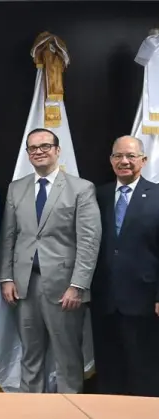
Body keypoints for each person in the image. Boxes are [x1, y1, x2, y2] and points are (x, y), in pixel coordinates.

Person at [0, 127, 101, 394]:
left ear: (57, 150)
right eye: (33, 148)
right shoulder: (16, 188)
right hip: (24, 285)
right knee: (29, 355)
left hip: (64, 287)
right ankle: (31, 410)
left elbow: (89, 242)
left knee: (67, 357)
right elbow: (8, 237)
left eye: (45, 146)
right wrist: (6, 278)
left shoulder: (81, 189)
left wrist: (78, 286)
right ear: (27, 153)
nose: (39, 152)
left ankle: (70, 410)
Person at [91, 135, 159, 397]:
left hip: (144, 301)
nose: (124, 161)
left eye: (131, 156)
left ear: (144, 160)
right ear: (111, 160)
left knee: (144, 371)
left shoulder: (156, 196)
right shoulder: (98, 195)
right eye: (118, 156)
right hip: (104, 300)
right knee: (109, 371)